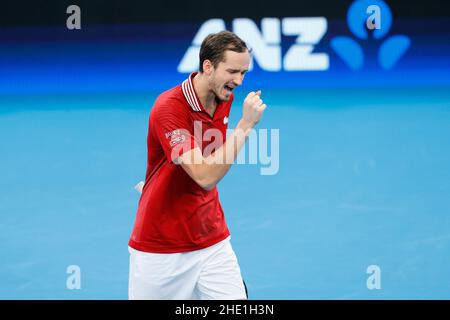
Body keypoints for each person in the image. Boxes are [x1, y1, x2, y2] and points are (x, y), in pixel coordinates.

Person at [128, 30, 267, 300]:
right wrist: (245, 125)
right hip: (161, 248)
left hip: (212, 240)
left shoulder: (224, 97)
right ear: (208, 66)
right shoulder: (169, 108)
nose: (239, 81)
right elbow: (204, 176)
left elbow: (207, 158)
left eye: (244, 73)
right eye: (232, 72)